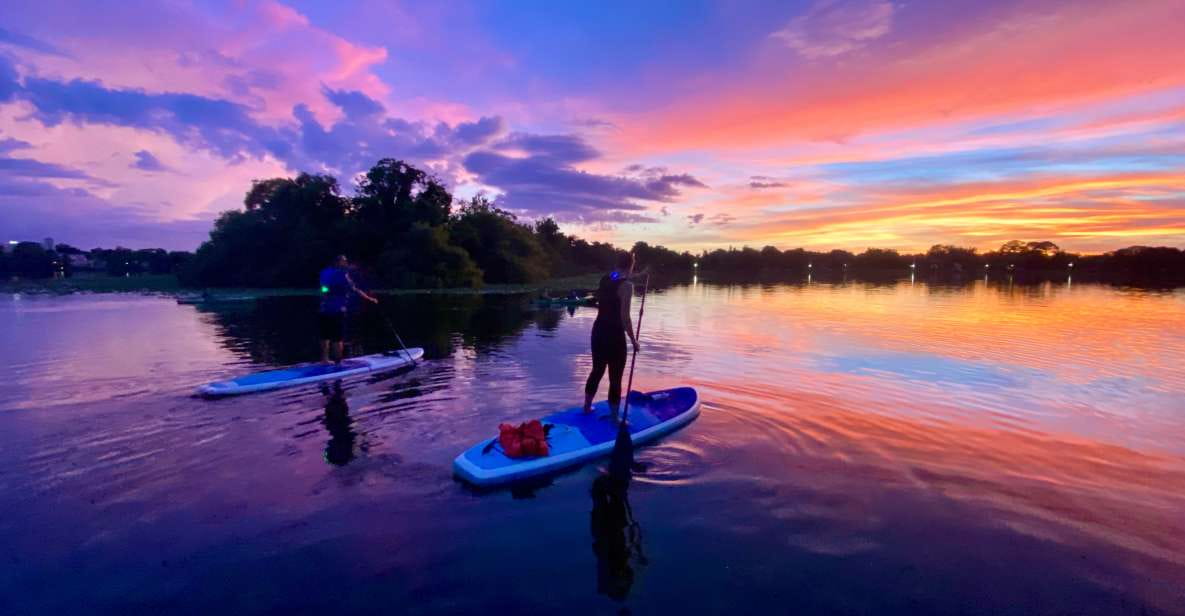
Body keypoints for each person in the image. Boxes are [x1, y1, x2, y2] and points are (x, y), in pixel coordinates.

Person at [583, 251, 640, 419]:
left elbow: (615, 275)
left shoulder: (606, 278)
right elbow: (625, 318)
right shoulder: (627, 286)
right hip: (614, 336)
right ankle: (614, 418)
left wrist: (626, 272)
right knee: (615, 377)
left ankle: (587, 407)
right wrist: (633, 340)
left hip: (598, 331)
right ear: (631, 264)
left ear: (617, 263)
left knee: (597, 370)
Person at [319, 255, 378, 364]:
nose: (346, 263)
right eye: (344, 261)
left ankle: (325, 359)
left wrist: (326, 293)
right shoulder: (343, 274)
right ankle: (337, 363)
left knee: (325, 335)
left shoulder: (325, 272)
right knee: (337, 337)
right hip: (337, 310)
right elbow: (355, 289)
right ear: (339, 262)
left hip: (324, 309)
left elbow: (323, 288)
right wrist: (370, 299)